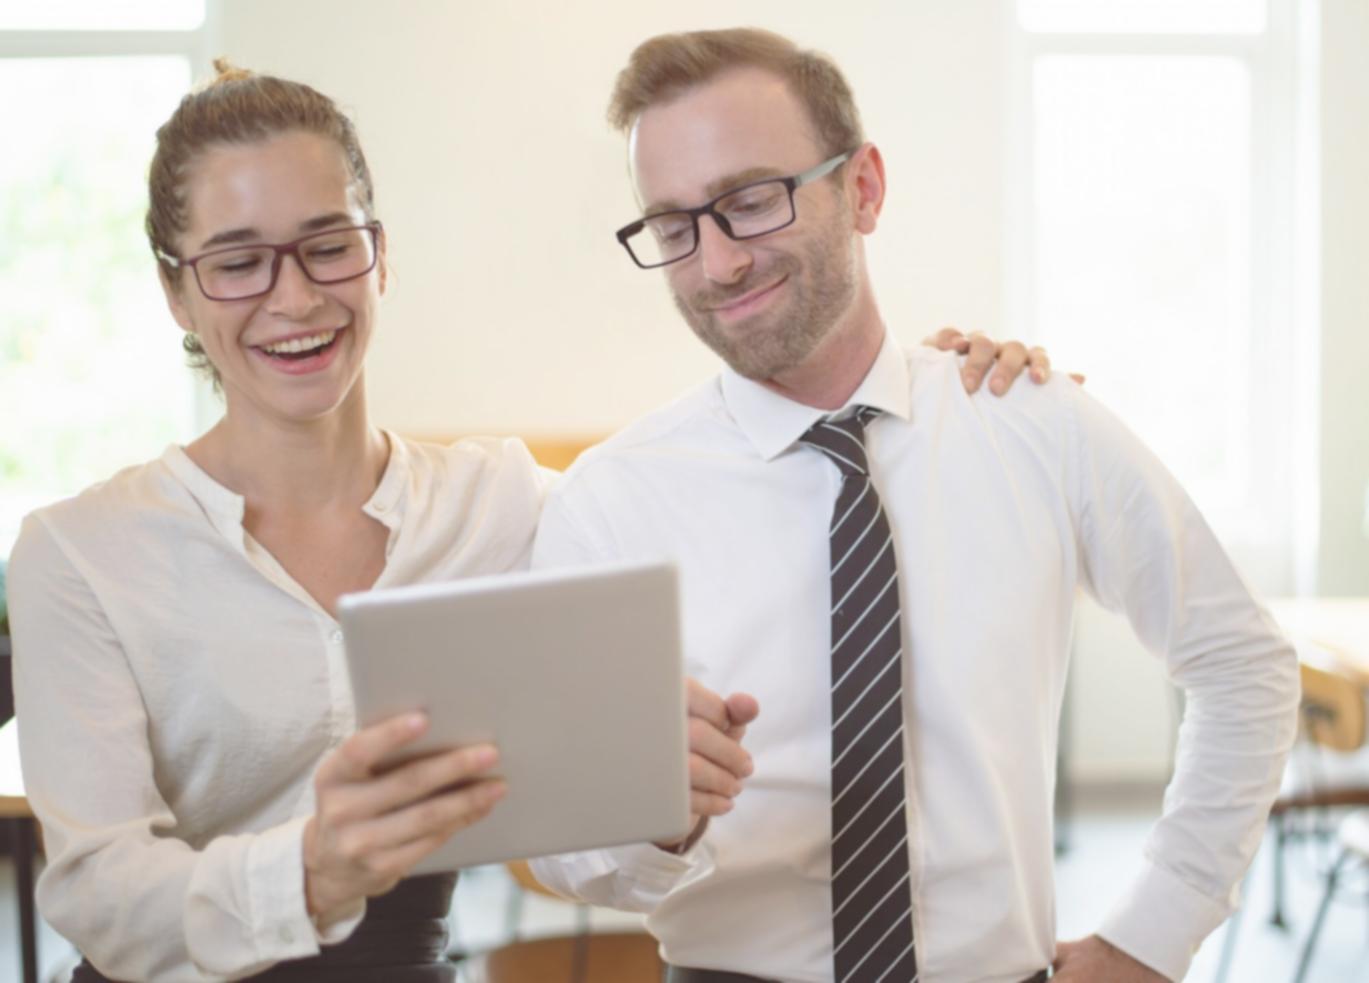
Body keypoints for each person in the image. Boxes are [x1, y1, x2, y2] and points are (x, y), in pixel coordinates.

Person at [6, 60, 1044, 982]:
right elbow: (100, 893)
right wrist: (313, 867)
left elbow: (739, 491)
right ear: (177, 294)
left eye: (328, 244)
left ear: (379, 255)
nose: (293, 296)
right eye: (236, 262)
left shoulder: (504, 504)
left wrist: (923, 394)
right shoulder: (80, 553)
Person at [528, 28, 1301, 983]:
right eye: (675, 225)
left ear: (862, 188)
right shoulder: (613, 499)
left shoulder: (1031, 425)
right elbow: (566, 856)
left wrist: (1153, 931)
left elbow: (1241, 664)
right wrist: (655, 816)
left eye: (751, 201)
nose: (716, 263)